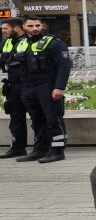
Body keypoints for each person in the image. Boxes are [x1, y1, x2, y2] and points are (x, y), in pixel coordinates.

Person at [16, 17, 69, 163]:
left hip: (48, 86)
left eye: (37, 25)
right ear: (24, 27)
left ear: (42, 26)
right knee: (36, 120)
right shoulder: (21, 44)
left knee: (53, 118)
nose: (35, 28)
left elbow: (64, 66)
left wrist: (59, 87)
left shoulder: (54, 43)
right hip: (28, 87)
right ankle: (40, 150)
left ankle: (57, 151)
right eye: (31, 25)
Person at [1, 18, 32, 158]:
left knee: (37, 117)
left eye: (5, 28)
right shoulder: (6, 42)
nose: (3, 31)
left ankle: (42, 147)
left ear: (16, 28)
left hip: (29, 83)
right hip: (13, 85)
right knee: (16, 118)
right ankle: (18, 147)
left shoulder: (29, 40)